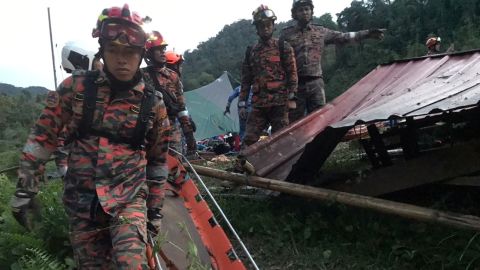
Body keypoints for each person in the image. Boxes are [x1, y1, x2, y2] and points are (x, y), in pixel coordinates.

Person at [10, 4, 170, 268]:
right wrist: (25, 190)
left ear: (141, 54)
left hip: (128, 201)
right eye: (114, 50)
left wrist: (154, 212)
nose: (121, 59)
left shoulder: (152, 104)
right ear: (102, 51)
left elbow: (158, 161)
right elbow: (41, 140)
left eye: (129, 52)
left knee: (131, 265)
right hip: (82, 205)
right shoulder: (75, 89)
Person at [280, 0, 385, 123]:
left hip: (316, 84)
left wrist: (367, 34)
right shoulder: (286, 34)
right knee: (293, 124)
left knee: (319, 121)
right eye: (301, 10)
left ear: (311, 11)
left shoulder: (320, 32)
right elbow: (278, 60)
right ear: (295, 13)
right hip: (295, 87)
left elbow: (344, 37)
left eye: (307, 9)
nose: (304, 12)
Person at [239, 5, 298, 147]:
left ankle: (285, 168)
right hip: (259, 104)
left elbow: (292, 74)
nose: (265, 28)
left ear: (273, 25)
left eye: (268, 25)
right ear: (257, 29)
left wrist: (292, 97)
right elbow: (246, 80)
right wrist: (241, 104)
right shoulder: (251, 51)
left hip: (280, 103)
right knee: (249, 140)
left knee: (282, 139)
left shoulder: (283, 47)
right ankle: (242, 168)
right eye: (261, 25)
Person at [143, 32, 198, 159]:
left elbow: (181, 106)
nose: (162, 52)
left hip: (172, 127)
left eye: (164, 49)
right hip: (149, 128)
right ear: (149, 53)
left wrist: (188, 133)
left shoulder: (173, 76)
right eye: (158, 49)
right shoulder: (141, 76)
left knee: (175, 162)